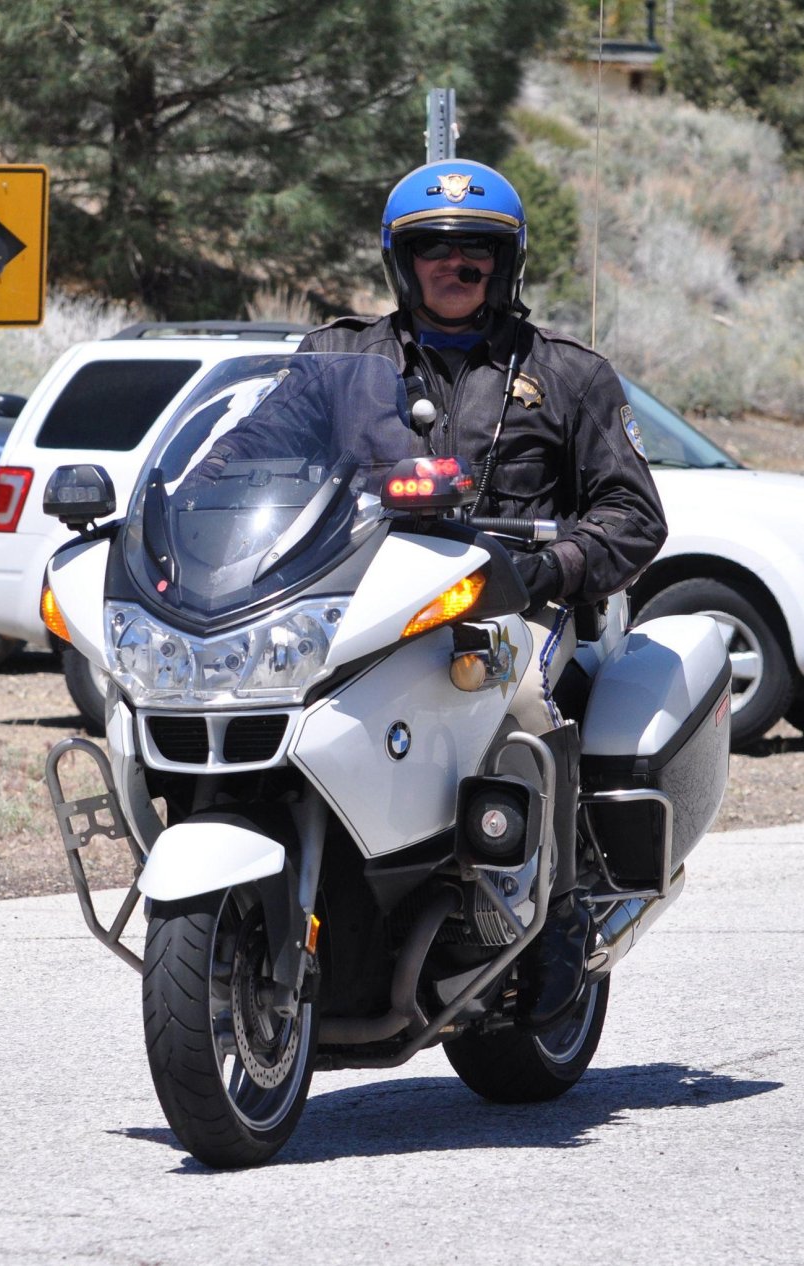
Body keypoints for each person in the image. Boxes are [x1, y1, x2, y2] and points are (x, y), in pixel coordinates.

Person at [297, 159, 668, 1029]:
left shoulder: (567, 375)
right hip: (364, 601)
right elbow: (249, 456)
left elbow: (634, 514)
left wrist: (552, 567)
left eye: (477, 251)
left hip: (510, 605)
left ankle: (559, 909)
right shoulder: (337, 361)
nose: (455, 265)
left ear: (506, 264)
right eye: (434, 248)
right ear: (402, 260)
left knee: (523, 701)